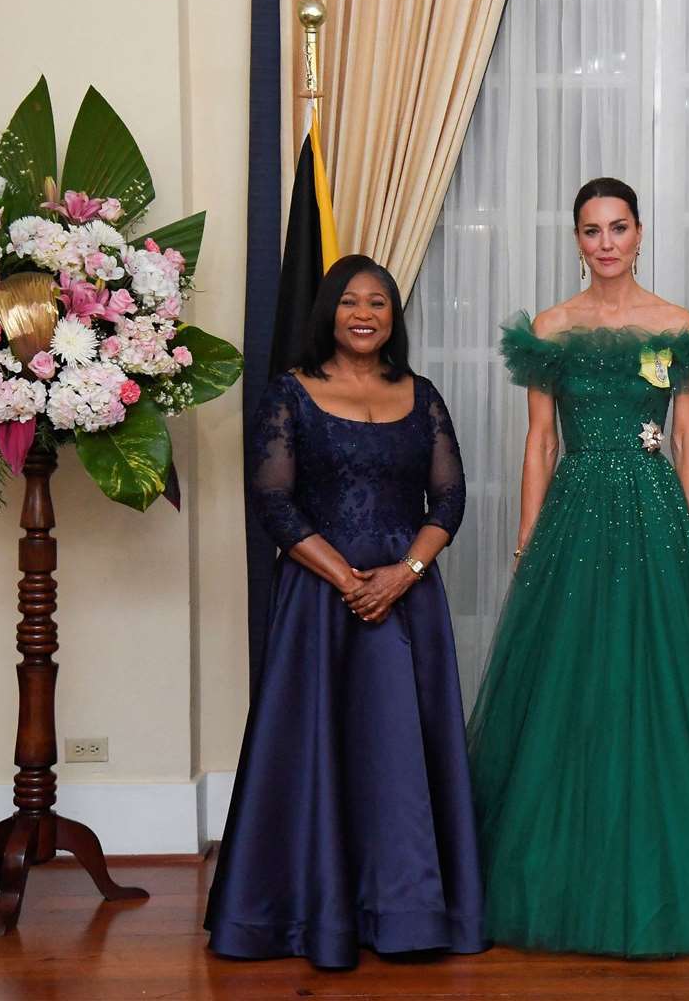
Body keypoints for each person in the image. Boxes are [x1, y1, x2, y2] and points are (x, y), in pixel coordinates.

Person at [465, 177, 689, 958]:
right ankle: (558, 877)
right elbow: (540, 441)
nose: (605, 242)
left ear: (640, 233)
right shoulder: (552, 327)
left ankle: (676, 876)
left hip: (653, 515)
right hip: (575, 514)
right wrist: (525, 537)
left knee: (660, 685)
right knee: (568, 690)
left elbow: (688, 442)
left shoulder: (674, 325)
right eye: (591, 230)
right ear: (576, 240)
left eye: (618, 228)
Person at [206, 255, 485, 969]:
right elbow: (272, 501)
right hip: (318, 597)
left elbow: (448, 499)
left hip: (407, 598)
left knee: (398, 755)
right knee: (317, 749)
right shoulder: (290, 393)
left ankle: (407, 910)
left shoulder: (421, 394)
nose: (366, 313)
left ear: (394, 317)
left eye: (380, 303)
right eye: (352, 301)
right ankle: (309, 916)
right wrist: (348, 579)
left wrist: (404, 574)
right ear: (329, 311)